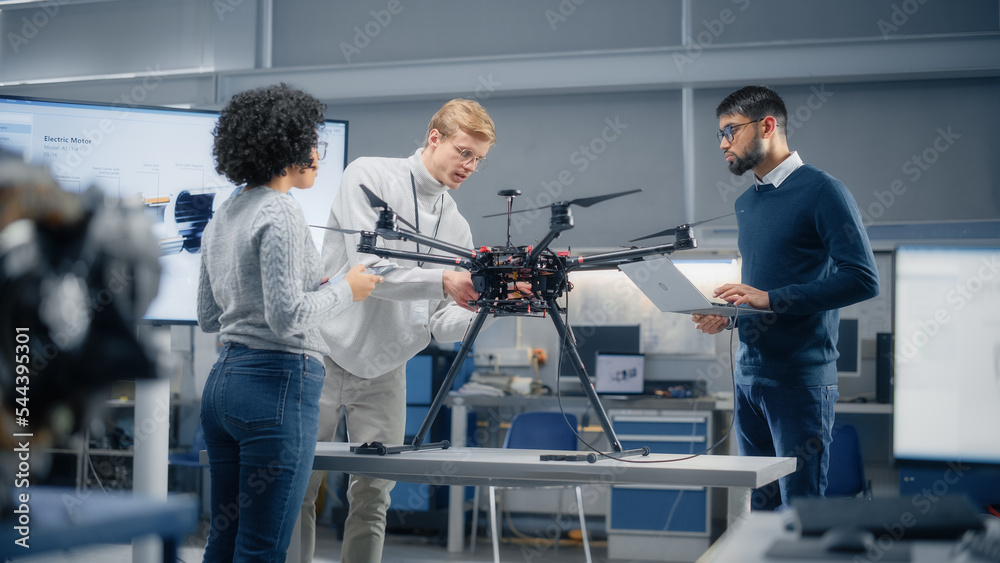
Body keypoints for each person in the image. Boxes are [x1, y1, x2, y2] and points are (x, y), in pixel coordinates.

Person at [300, 99, 495, 563]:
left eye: (480, 160)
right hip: (322, 352)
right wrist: (446, 279)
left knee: (372, 499)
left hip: (387, 367)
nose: (470, 166)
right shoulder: (369, 176)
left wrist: (487, 308)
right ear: (434, 137)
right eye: (464, 152)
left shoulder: (457, 226)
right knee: (299, 488)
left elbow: (440, 321)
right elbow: (369, 273)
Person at [198, 83, 381, 561]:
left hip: (223, 386)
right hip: (277, 385)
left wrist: (311, 289)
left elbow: (208, 316)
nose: (317, 155)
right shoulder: (280, 211)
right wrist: (347, 291)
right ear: (283, 146)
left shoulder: (224, 214)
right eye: (310, 142)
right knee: (262, 548)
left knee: (223, 539)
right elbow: (286, 319)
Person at [691, 85, 879, 510]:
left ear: (768, 126)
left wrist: (770, 299)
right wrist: (729, 314)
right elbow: (763, 290)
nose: (723, 143)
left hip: (799, 382)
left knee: (800, 514)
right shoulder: (747, 203)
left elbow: (863, 279)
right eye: (719, 134)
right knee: (760, 510)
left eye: (731, 131)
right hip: (749, 379)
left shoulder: (823, 191)